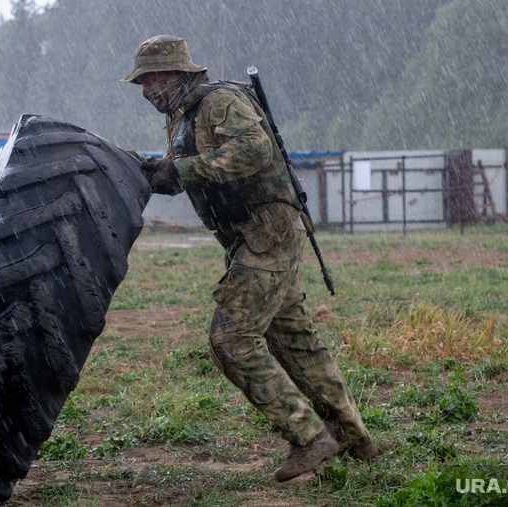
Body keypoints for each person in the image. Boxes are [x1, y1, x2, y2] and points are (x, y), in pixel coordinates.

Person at [123, 35, 378, 483]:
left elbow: (254, 150)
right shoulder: (183, 117)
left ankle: (309, 436)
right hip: (253, 238)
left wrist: (181, 169)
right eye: (141, 83)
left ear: (178, 73)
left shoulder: (219, 101)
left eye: (151, 79)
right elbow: (183, 171)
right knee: (295, 341)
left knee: (231, 339)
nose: (146, 90)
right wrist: (144, 171)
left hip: (267, 233)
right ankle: (356, 443)